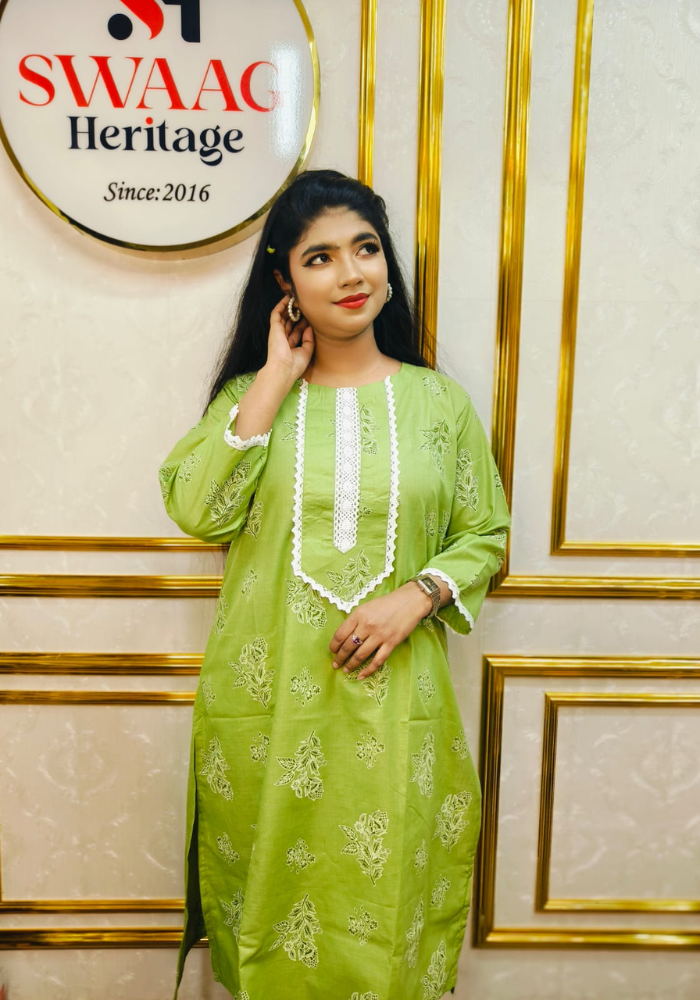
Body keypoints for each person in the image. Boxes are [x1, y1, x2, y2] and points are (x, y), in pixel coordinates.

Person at [159, 168, 511, 1000]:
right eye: (319, 258)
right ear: (285, 280)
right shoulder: (251, 399)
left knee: (386, 914)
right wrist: (276, 375)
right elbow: (199, 509)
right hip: (267, 715)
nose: (351, 274)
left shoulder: (440, 405)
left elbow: (486, 533)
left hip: (396, 714)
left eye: (366, 248)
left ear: (387, 264)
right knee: (270, 913)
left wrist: (418, 595)